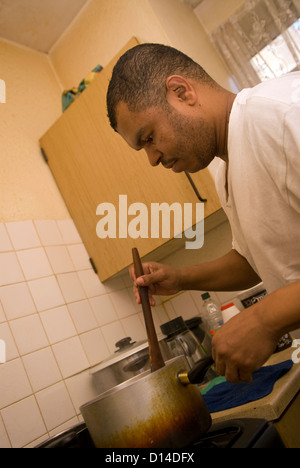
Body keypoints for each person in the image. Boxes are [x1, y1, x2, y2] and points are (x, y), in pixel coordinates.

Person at [106, 43, 300, 383]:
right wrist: (180, 278)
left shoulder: (283, 114)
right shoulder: (223, 165)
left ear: (182, 92)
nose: (152, 158)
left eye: (149, 137)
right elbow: (255, 258)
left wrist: (264, 319)